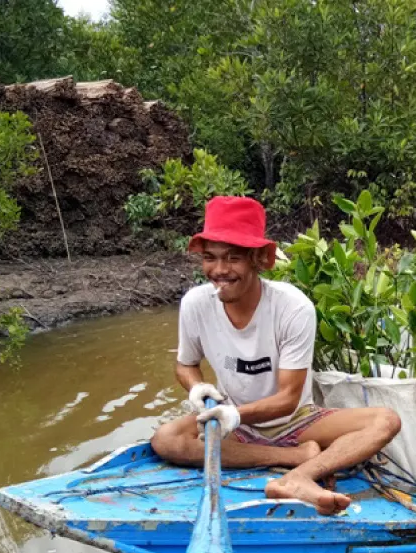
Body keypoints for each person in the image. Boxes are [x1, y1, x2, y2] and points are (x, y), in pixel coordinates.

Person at [150, 196, 402, 515]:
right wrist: (198, 388)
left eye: (233, 258)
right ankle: (292, 457)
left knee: (386, 421)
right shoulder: (195, 304)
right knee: (166, 439)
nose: (219, 270)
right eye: (210, 258)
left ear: (257, 259)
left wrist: (237, 415)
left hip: (295, 420)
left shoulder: (292, 307)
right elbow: (186, 364)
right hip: (234, 422)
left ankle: (300, 477)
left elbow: (288, 398)